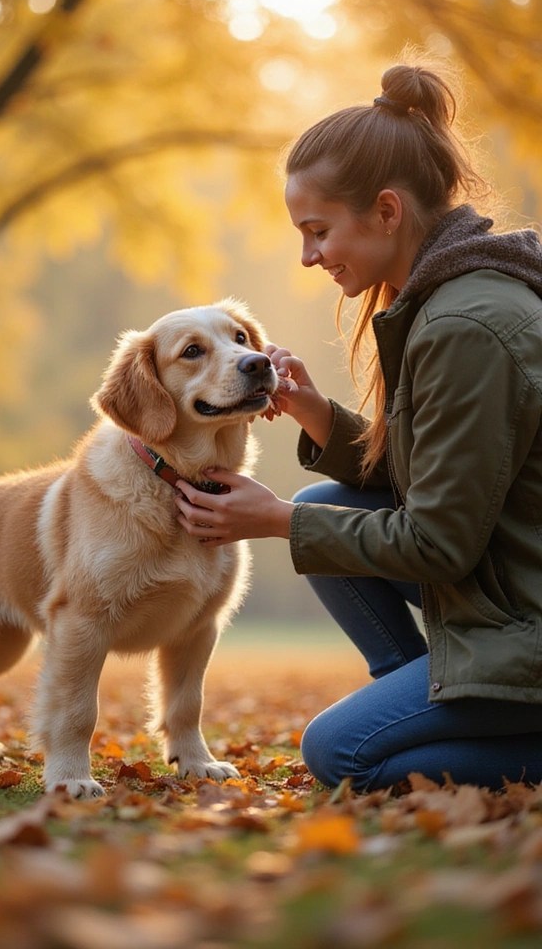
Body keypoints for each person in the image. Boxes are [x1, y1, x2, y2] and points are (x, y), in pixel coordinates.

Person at [174, 61, 542, 792]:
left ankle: (486, 724)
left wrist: (276, 523)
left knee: (341, 754)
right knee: (323, 507)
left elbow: (438, 541)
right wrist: (320, 418)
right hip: (511, 597)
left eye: (318, 231)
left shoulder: (465, 324)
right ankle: (430, 701)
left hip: (524, 619)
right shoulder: (449, 296)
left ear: (386, 210)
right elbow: (439, 478)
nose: (309, 256)